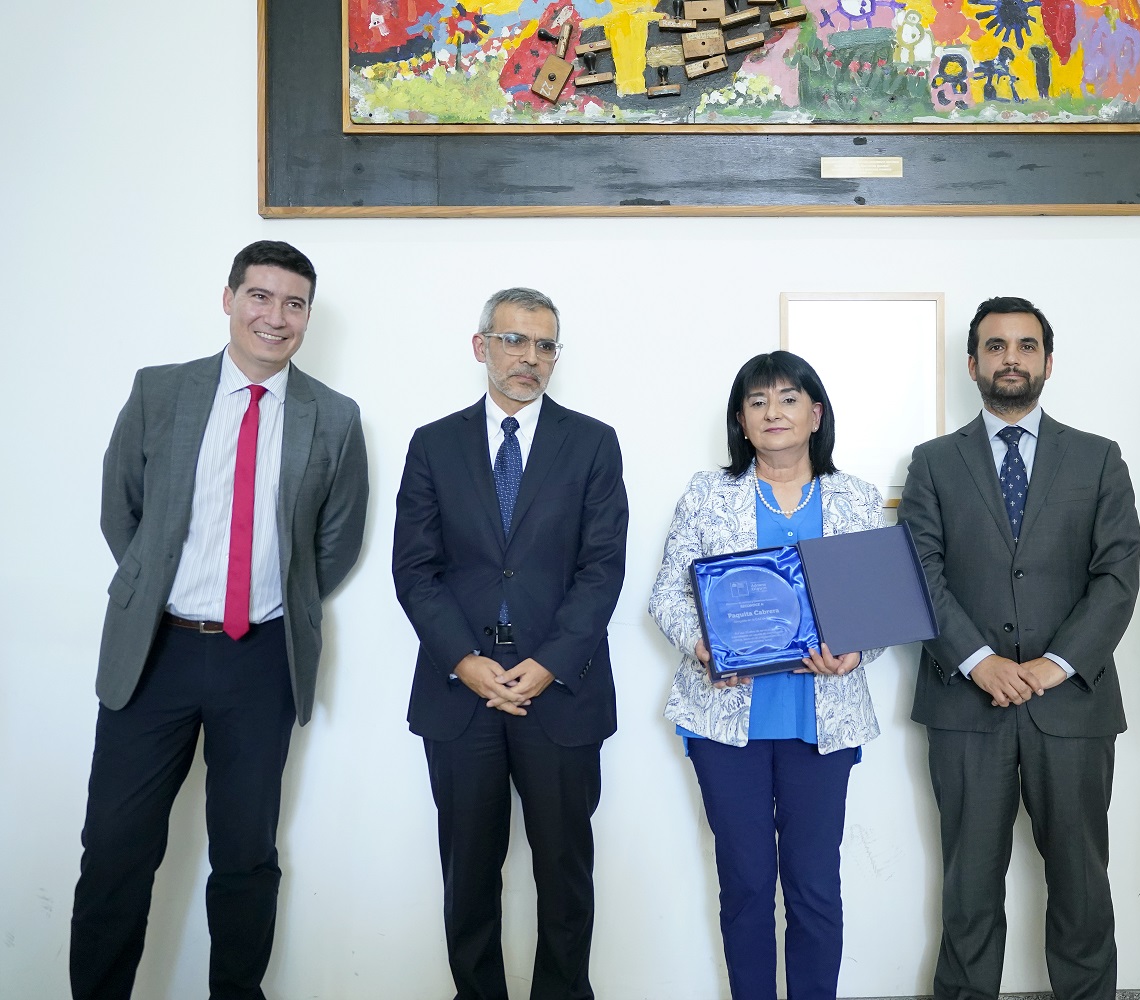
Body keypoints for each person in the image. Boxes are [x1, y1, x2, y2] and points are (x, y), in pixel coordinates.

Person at [70, 240, 370, 1000]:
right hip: (155, 654)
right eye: (260, 297)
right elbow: (122, 510)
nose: (275, 317)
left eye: (293, 303)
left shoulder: (333, 418)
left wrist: (272, 606)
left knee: (245, 856)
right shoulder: (160, 393)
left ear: (306, 316)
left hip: (260, 659)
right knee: (115, 851)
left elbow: (335, 542)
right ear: (230, 298)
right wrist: (153, 589)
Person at [898, 296, 1140, 1000]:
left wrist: (1053, 664)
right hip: (964, 706)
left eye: (1026, 346)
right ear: (972, 363)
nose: (1012, 358)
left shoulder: (1098, 459)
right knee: (969, 890)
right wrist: (980, 661)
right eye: (996, 346)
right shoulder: (934, 463)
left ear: (1048, 362)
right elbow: (921, 572)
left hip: (1072, 706)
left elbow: (1117, 575)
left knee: (1080, 886)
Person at [393, 287, 628, 1000]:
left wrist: (550, 662)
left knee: (564, 873)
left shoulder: (592, 442)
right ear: (481, 347)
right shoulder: (433, 444)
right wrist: (465, 662)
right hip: (459, 693)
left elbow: (601, 569)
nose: (530, 358)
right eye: (514, 341)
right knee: (468, 874)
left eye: (545, 345)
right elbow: (414, 568)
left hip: (559, 692)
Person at [648, 351, 887, 1000]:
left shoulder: (854, 497)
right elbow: (668, 594)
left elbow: (875, 611)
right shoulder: (709, 494)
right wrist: (704, 648)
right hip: (727, 724)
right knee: (747, 883)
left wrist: (855, 651)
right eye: (757, 402)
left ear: (815, 414)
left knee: (814, 887)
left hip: (821, 722)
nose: (773, 412)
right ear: (741, 422)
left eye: (788, 399)